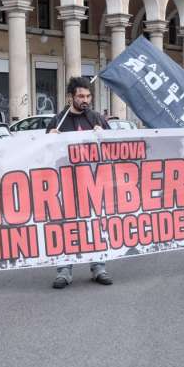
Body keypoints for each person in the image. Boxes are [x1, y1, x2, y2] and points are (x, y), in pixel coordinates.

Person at [46, 76, 112, 288]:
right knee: (66, 228)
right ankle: (64, 271)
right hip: (65, 186)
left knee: (95, 225)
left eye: (88, 96)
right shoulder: (58, 121)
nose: (85, 100)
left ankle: (98, 267)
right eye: (81, 96)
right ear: (70, 98)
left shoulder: (96, 119)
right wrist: (49, 138)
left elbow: (115, 149)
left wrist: (104, 136)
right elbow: (42, 155)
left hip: (92, 184)